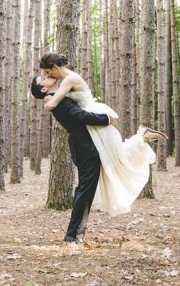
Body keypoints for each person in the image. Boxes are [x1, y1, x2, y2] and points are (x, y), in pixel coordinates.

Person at [31, 75, 112, 244]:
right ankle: (72, 235)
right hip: (85, 148)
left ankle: (75, 234)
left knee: (85, 190)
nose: (46, 76)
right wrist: (106, 119)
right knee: (84, 191)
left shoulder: (57, 97)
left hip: (85, 145)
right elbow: (80, 116)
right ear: (44, 89)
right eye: (42, 79)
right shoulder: (56, 100)